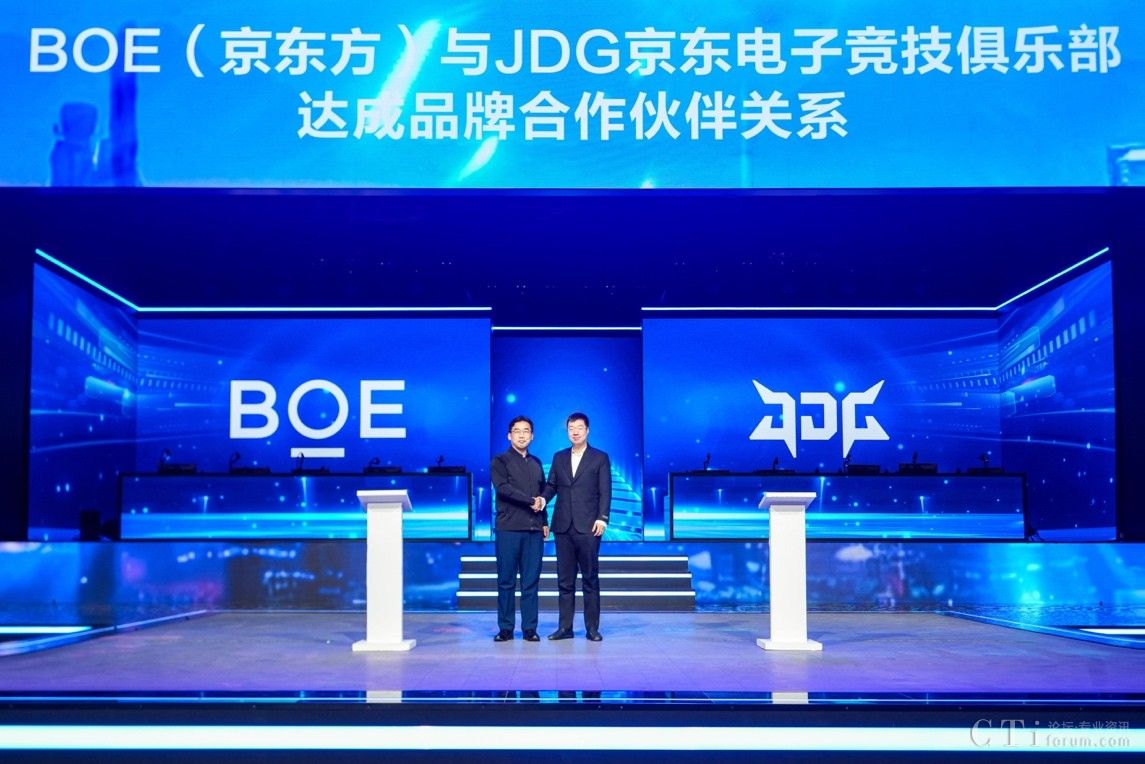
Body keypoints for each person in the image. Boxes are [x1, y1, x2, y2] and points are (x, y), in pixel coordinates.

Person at [542, 412, 610, 641]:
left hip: (589, 527)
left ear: (587, 430)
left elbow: (605, 491)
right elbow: (552, 486)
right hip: (563, 527)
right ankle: (565, 628)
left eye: (579, 428)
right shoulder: (559, 457)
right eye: (571, 428)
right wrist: (542, 499)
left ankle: (592, 628)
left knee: (590, 579)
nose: (575, 432)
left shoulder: (600, 458)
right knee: (564, 581)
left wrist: (602, 518)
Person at [490, 415, 549, 642]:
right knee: (506, 581)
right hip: (509, 529)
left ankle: (529, 629)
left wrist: (544, 521)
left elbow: (541, 495)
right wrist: (530, 501)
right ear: (509, 435)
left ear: (532, 436)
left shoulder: (536, 463)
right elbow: (503, 488)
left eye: (526, 431)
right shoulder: (500, 461)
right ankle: (505, 628)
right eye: (517, 431)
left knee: (530, 582)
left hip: (534, 530)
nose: (522, 435)